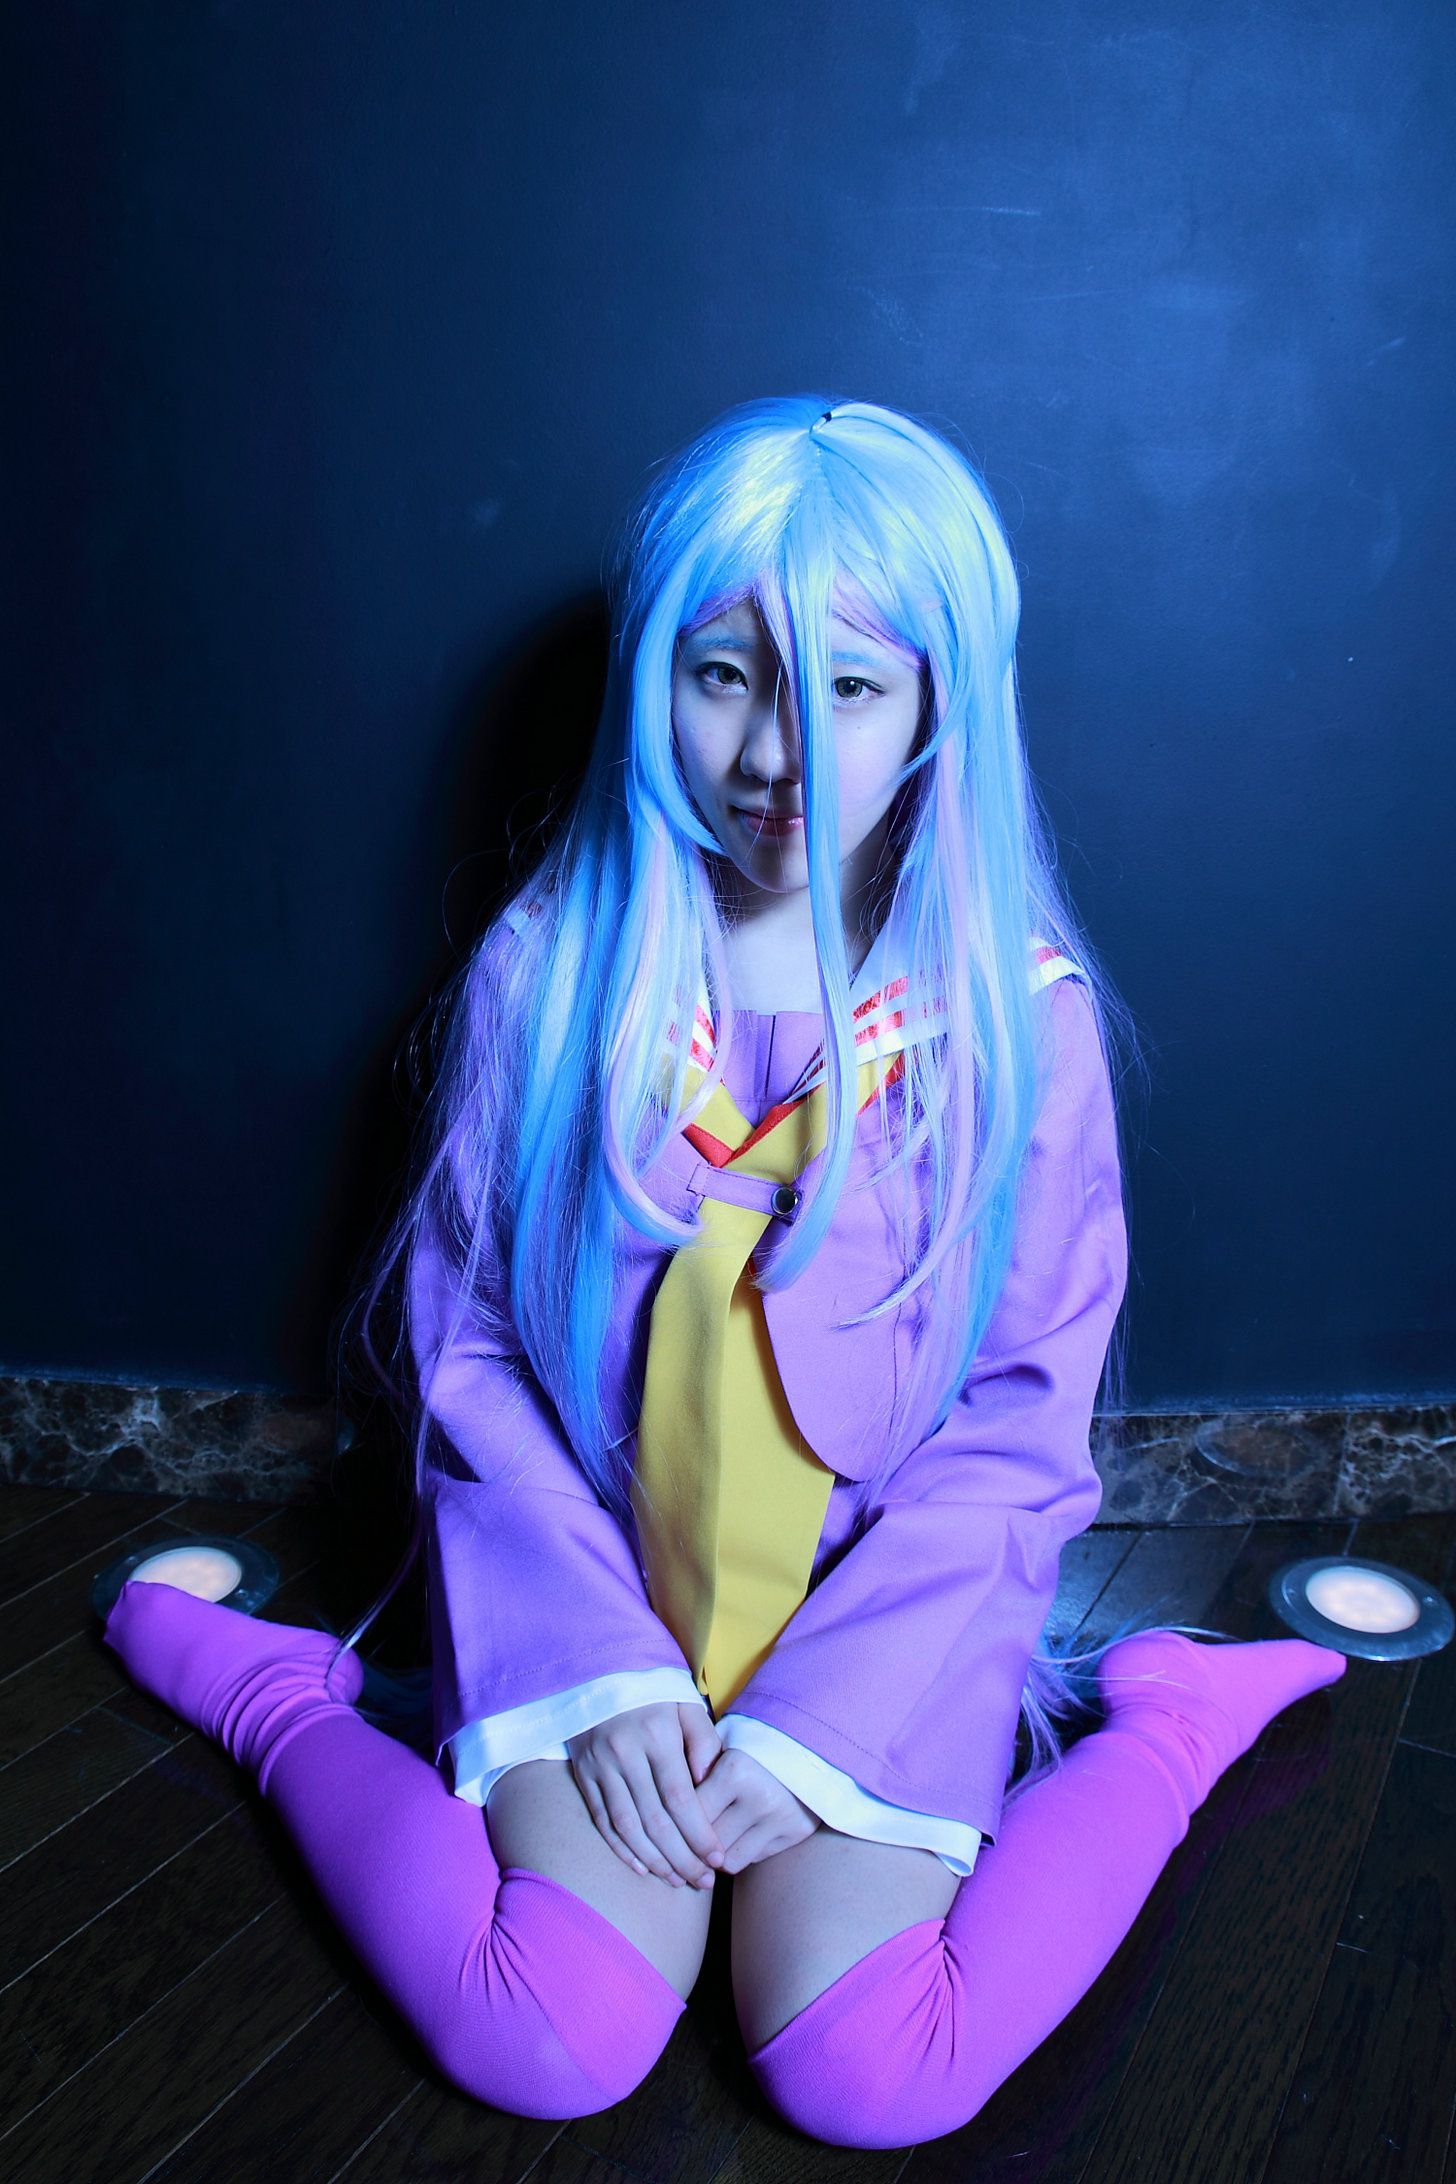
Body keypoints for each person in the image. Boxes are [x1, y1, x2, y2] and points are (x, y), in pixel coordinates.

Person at [101, 394, 1347, 2148]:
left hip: (880, 1620)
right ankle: (276, 1696)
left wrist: (823, 1722)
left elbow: (1020, 1421)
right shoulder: (552, 976)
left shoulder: (1014, 1024)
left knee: (873, 2074)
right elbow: (470, 1363)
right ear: (653, 683)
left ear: (939, 708)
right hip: (603, 1590)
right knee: (551, 2035)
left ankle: (1167, 1720)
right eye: (723, 675)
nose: (778, 754)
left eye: (850, 687)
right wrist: (604, 1670)